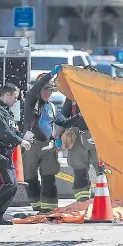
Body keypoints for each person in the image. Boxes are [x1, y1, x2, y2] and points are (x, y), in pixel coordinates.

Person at [22, 65, 82, 213]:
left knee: (48, 178)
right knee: (30, 179)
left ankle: (49, 210)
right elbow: (36, 88)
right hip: (31, 146)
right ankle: (37, 207)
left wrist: (79, 117)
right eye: (45, 89)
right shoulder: (30, 102)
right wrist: (51, 74)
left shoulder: (52, 107)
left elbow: (63, 123)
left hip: (48, 147)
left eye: (50, 90)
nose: (48, 92)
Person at [0, 83, 32, 225]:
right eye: (14, 97)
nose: (16, 101)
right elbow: (3, 131)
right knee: (6, 182)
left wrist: (22, 136)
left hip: (5, 153)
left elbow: (11, 130)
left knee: (13, 185)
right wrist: (20, 141)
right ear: (7, 95)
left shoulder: (6, 111)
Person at [61, 66, 100, 202]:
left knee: (102, 171)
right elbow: (63, 119)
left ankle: (106, 201)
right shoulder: (72, 96)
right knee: (79, 172)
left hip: (98, 137)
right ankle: (82, 203)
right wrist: (57, 139)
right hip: (78, 137)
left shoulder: (102, 95)